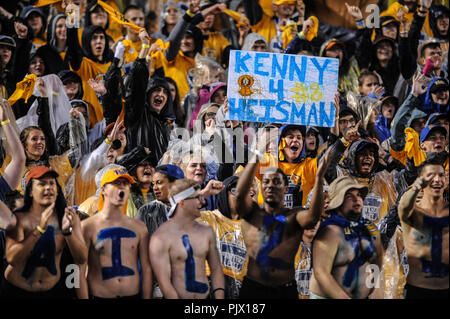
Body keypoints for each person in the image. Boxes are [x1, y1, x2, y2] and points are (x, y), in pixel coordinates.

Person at [233, 133, 331, 299]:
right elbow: (240, 196)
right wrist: (257, 153)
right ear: (261, 188)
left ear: (286, 188)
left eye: (277, 182)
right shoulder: (253, 214)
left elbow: (313, 217)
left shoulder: (294, 217)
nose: (271, 186)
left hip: (285, 290)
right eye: (266, 182)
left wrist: (320, 177)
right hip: (253, 289)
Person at [1, 166, 87, 299]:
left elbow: (81, 260)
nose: (48, 187)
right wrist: (39, 230)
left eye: (52, 183)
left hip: (52, 290)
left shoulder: (69, 217)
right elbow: (12, 259)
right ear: (30, 192)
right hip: (17, 289)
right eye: (41, 184)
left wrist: (67, 233)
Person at [77, 167, 152, 299]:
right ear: (103, 190)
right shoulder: (87, 227)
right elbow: (80, 271)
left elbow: (146, 270)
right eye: (117, 183)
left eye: (125, 184)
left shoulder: (140, 228)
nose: (122, 187)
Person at [309, 175, 383, 299]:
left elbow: (378, 257)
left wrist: (370, 287)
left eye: (359, 195)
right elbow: (321, 273)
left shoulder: (371, 230)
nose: (356, 199)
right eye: (349, 196)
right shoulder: (329, 232)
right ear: (338, 201)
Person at [149, 179, 225, 299]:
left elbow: (216, 270)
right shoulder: (161, 238)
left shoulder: (206, 231)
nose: (203, 202)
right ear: (182, 203)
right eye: (198, 198)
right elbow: (164, 283)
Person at [398, 157, 448, 299]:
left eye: (441, 175)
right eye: (431, 176)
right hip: (418, 290)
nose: (437, 179)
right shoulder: (413, 213)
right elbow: (403, 206)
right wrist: (416, 187)